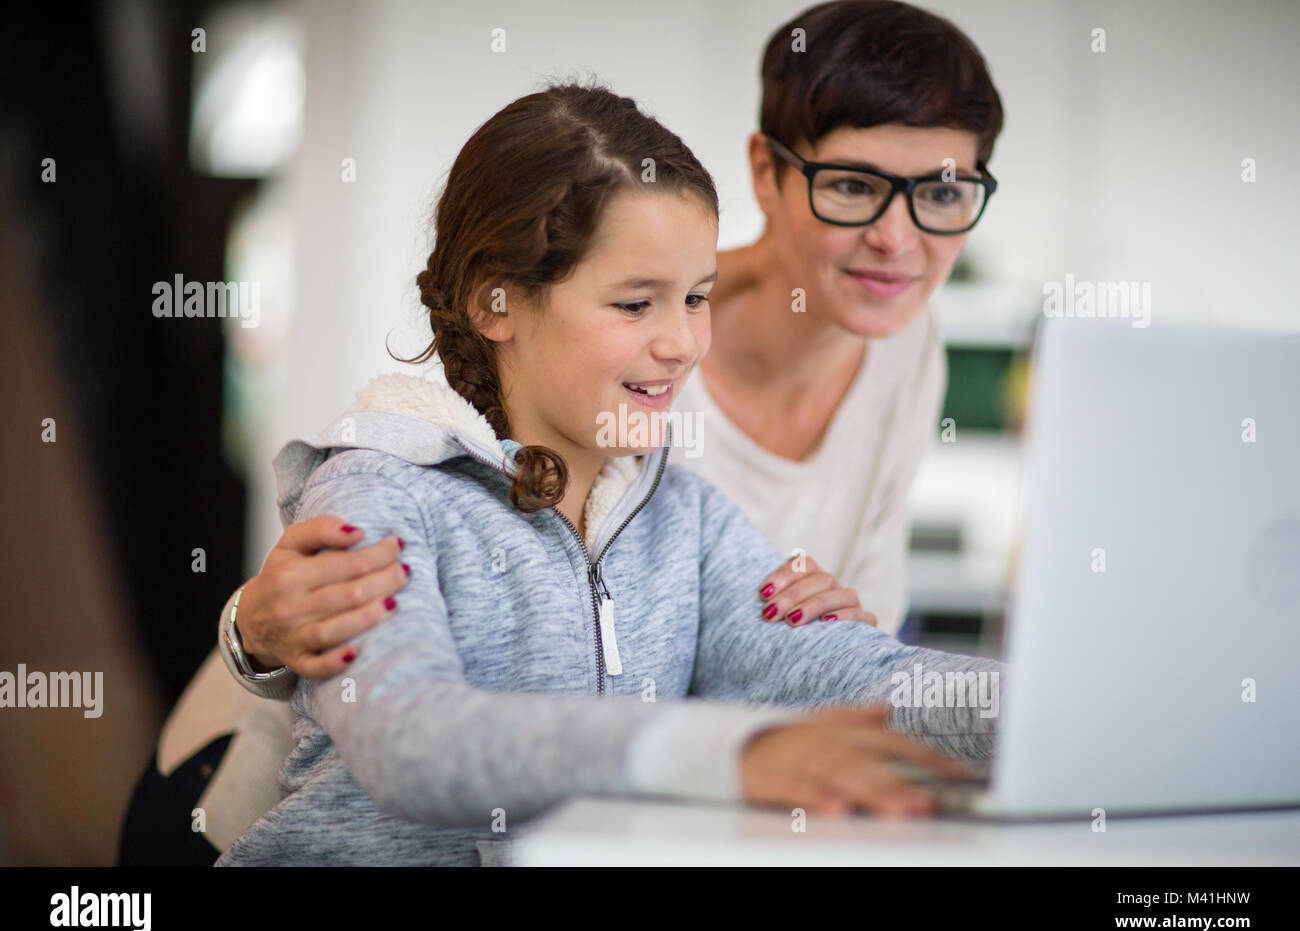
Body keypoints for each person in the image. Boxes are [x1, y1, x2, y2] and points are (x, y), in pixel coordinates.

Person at [133, 0, 1004, 864]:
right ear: (495, 302)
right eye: (636, 304)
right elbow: (412, 738)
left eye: (697, 299)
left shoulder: (680, 513)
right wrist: (721, 753)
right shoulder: (380, 489)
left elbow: (856, 676)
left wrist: (1068, 706)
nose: (683, 342)